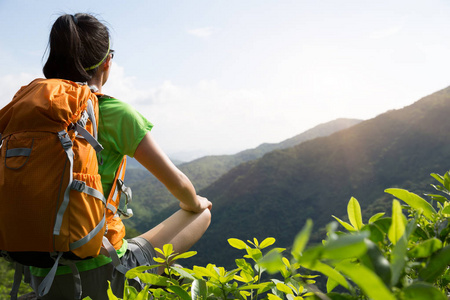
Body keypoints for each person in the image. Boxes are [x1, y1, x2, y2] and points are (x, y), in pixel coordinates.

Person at [27, 13, 212, 299]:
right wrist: (195, 201)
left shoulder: (32, 112)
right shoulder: (115, 114)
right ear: (106, 62)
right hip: (103, 270)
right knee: (201, 214)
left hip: (38, 271)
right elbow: (180, 185)